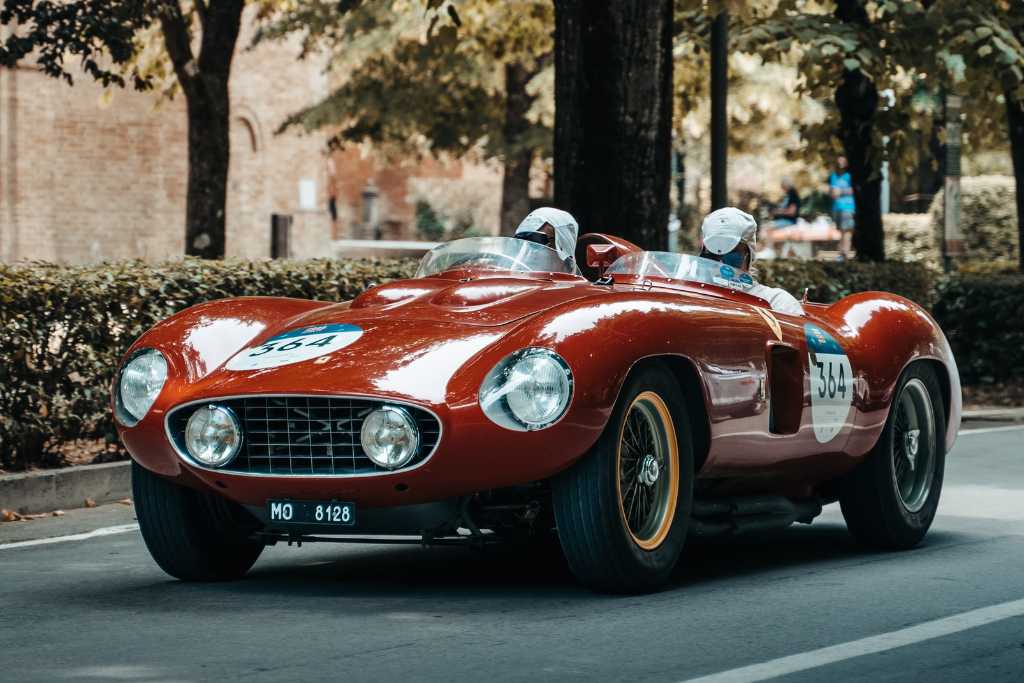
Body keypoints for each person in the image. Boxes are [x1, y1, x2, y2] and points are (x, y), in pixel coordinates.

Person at [700, 207, 804, 316]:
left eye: (732, 253)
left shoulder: (776, 302)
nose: (720, 263)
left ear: (749, 254)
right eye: (712, 255)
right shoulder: (692, 296)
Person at [514, 207, 580, 269]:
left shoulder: (578, 281)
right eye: (520, 242)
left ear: (563, 244)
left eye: (536, 241)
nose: (529, 252)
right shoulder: (515, 278)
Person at [829, 156, 855, 259]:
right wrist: (832, 193)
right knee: (841, 231)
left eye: (842, 160)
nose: (840, 162)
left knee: (847, 230)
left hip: (848, 207)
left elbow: (854, 190)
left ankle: (844, 253)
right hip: (837, 208)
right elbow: (832, 191)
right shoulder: (833, 176)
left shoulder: (850, 176)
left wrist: (841, 192)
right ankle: (841, 253)